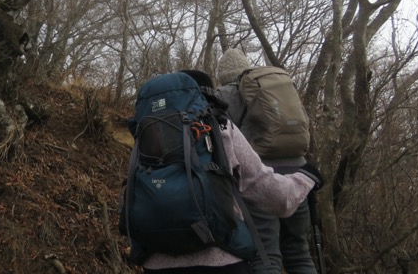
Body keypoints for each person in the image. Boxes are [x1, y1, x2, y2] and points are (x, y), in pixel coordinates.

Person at [138, 69, 323, 274]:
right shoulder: (221, 127)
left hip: (155, 263)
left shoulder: (145, 136)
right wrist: (306, 177)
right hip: (221, 261)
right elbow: (277, 198)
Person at [215, 49, 318, 274]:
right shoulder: (274, 91)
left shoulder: (222, 96)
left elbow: (222, 140)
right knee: (299, 253)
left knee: (266, 254)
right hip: (298, 174)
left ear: (222, 75)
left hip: (262, 179)